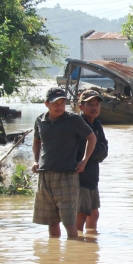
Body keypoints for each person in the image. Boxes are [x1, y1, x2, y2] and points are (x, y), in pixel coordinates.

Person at [32, 87, 97, 240]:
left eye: (62, 103)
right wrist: (35, 160)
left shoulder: (73, 119)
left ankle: (72, 256)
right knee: (52, 221)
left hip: (67, 175)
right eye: (55, 103)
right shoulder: (40, 120)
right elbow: (36, 141)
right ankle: (54, 258)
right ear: (46, 103)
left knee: (69, 223)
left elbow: (92, 138)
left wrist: (84, 161)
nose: (59, 106)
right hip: (45, 175)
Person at [76, 90, 109, 233]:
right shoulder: (78, 124)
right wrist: (96, 150)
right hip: (80, 177)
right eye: (90, 104)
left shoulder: (97, 124)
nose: (95, 108)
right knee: (81, 214)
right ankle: (76, 244)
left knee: (94, 214)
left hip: (92, 177)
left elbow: (104, 149)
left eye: (97, 104)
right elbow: (82, 149)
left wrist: (96, 150)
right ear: (81, 107)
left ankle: (91, 246)